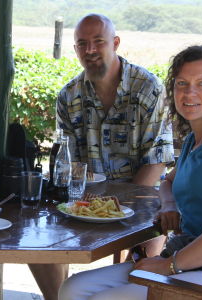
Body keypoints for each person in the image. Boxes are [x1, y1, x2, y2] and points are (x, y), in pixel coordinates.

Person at [58, 44, 202, 299]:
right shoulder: (192, 141)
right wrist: (169, 205)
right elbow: (168, 181)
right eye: (181, 83)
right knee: (74, 288)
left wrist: (170, 265)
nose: (189, 92)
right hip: (189, 259)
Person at [28, 13, 175, 300]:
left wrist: (121, 207)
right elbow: (68, 160)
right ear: (75, 50)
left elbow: (157, 159)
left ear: (115, 43)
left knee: (135, 274)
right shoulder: (68, 96)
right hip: (88, 199)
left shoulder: (148, 88)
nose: (90, 50)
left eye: (98, 42)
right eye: (82, 44)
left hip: (143, 199)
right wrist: (82, 199)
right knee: (38, 245)